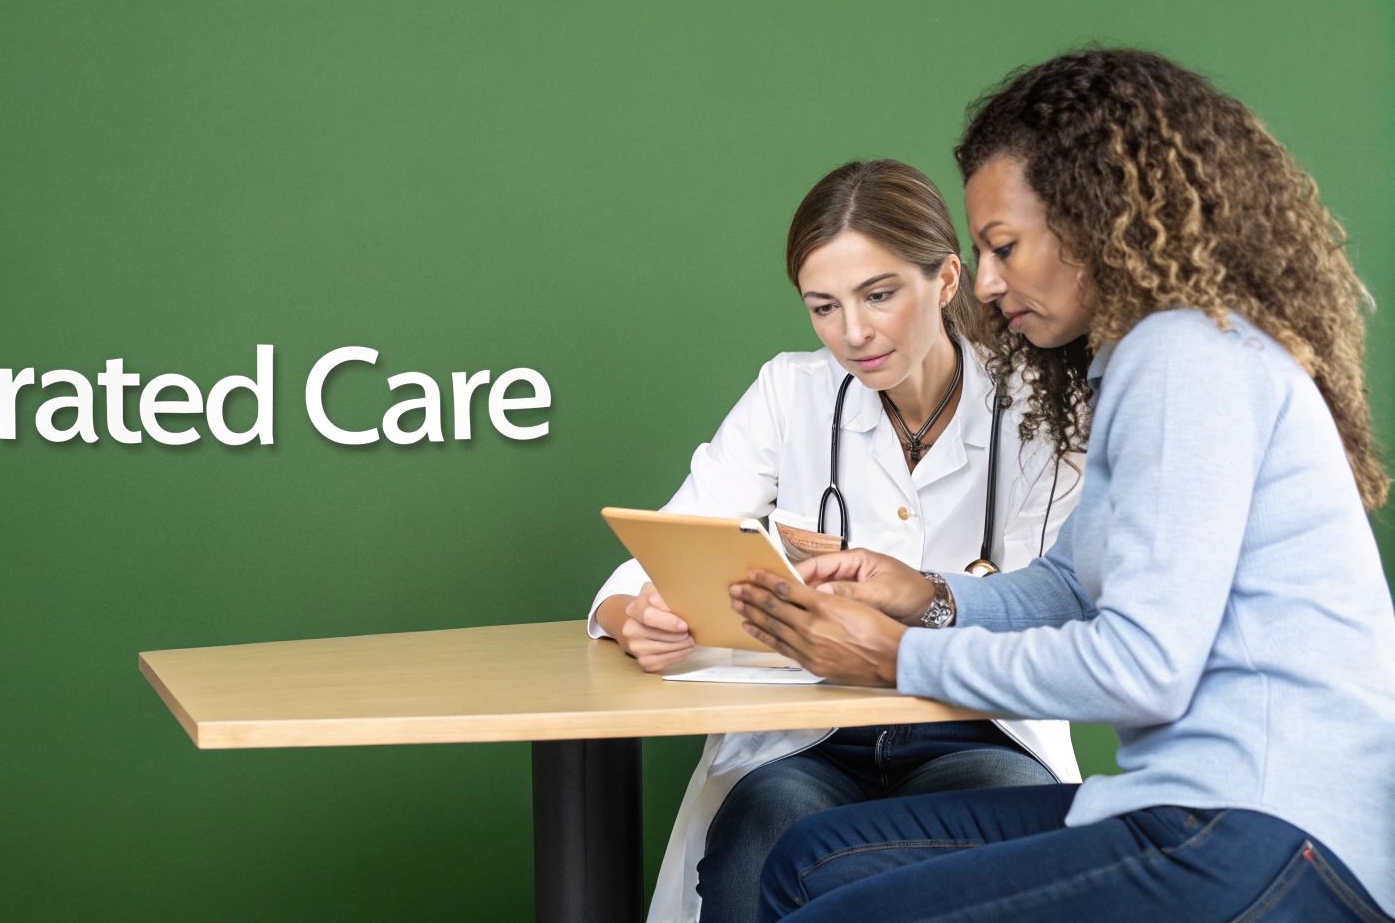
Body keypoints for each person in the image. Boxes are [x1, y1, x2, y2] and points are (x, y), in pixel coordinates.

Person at [732, 49, 1395, 922]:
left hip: (1267, 829)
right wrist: (922, 596)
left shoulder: (1184, 358)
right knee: (809, 857)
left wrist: (893, 654)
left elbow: (1142, 669)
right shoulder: (1145, 360)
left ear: (1099, 219)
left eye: (1005, 247)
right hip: (1202, 807)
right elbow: (1073, 584)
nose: (992, 281)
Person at [588, 159, 1084, 923]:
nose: (852, 333)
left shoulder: (1038, 408)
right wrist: (636, 620)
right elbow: (648, 561)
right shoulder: (791, 394)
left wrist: (912, 599)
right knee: (765, 823)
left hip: (972, 728)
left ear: (947, 279)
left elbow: (1060, 608)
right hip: (805, 739)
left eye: (879, 296)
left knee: (1009, 817)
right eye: (824, 307)